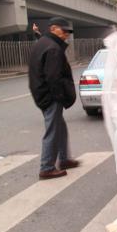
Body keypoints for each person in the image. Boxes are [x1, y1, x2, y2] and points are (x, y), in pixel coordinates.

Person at [28, 17, 79, 179]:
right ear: (53, 29)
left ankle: (64, 159)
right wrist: (60, 98)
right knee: (53, 130)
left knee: (59, 127)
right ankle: (47, 167)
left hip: (41, 93)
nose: (66, 35)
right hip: (50, 96)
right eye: (63, 31)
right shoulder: (53, 49)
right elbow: (53, 77)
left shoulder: (42, 43)